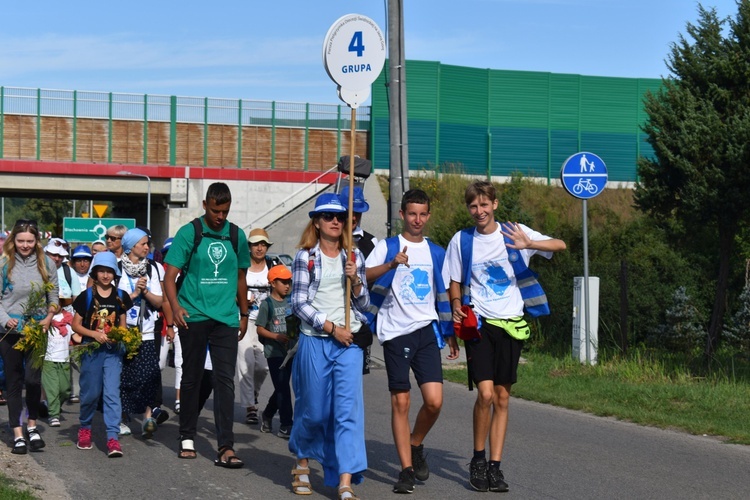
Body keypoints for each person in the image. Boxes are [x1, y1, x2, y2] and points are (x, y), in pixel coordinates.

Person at [445, 180, 566, 493]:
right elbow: (454, 280)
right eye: (473, 206)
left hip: (512, 323)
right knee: (484, 394)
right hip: (481, 325)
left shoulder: (514, 232)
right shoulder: (462, 240)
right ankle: (478, 459)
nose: (479, 211)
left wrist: (529, 245)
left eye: (484, 205)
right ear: (468, 208)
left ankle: (496, 467)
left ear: (495, 205)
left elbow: (560, 245)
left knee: (502, 397)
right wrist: (456, 303)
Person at [364, 189, 460, 493]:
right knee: (401, 401)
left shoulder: (437, 252)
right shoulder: (388, 246)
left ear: (428, 216)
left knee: (434, 402)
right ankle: (405, 470)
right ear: (402, 215)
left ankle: (415, 443)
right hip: (395, 332)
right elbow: (363, 276)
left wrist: (451, 333)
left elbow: (446, 292)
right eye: (412, 213)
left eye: (422, 214)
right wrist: (392, 264)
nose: (417, 219)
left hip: (426, 331)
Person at [163, 182, 250, 467]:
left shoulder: (236, 235)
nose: (220, 217)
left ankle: (226, 446)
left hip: (225, 317)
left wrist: (244, 314)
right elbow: (170, 275)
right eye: (215, 210)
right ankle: (187, 435)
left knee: (225, 381)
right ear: (205, 205)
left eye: (224, 211)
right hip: (194, 315)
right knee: (192, 376)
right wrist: (175, 308)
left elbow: (240, 278)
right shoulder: (191, 232)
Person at [290, 193, 369, 499]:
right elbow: (297, 303)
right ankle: (302, 464)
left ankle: (345, 481)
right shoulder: (305, 257)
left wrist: (357, 282)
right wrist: (330, 327)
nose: (335, 221)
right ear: (317, 222)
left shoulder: (355, 256)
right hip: (316, 340)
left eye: (340, 217)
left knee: (348, 412)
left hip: (349, 343)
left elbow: (364, 304)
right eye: (328, 216)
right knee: (315, 411)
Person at [0, 219, 60, 455]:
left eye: (30, 241)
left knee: (33, 380)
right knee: (13, 383)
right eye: (21, 240)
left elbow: (53, 295)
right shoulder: (5, 263)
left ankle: (32, 425)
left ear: (37, 241)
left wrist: (49, 316)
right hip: (10, 331)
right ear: (13, 240)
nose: (25, 245)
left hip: (37, 329)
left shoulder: (46, 263)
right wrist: (5, 320)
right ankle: (17, 432)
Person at [72, 251, 133, 458]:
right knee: (91, 393)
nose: (106, 275)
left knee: (112, 393)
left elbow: (123, 326)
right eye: (101, 271)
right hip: (91, 350)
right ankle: (85, 427)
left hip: (113, 353)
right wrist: (94, 334)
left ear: (115, 274)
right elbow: (76, 326)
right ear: (95, 273)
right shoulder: (86, 296)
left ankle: (112, 437)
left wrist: (119, 336)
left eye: (110, 271)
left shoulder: (121, 296)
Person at [117, 228, 165, 439]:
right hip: (122, 331)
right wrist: (134, 292)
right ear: (130, 246)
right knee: (123, 376)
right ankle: (120, 417)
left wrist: (145, 292)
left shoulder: (153, 268)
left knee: (149, 375)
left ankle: (147, 417)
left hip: (146, 331)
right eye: (143, 244)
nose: (147, 247)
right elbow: (112, 300)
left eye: (148, 244)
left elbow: (160, 301)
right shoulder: (117, 268)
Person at [239, 227, 278, 426]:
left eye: (263, 244)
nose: (260, 248)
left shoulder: (273, 266)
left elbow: (282, 291)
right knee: (246, 365)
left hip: (266, 324)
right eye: (256, 244)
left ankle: (253, 394)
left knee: (262, 367)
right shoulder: (242, 268)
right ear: (249, 247)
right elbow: (231, 291)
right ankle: (250, 408)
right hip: (244, 320)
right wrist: (243, 299)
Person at [339, 185, 378, 375]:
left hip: (360, 320)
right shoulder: (329, 240)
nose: (353, 217)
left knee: (353, 380)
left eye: (358, 213)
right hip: (333, 322)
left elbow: (374, 279)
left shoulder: (371, 243)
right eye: (349, 212)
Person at [255, 264, 295, 439]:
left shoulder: (292, 301)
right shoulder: (267, 304)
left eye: (289, 282)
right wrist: (276, 337)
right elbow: (260, 329)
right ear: (273, 283)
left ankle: (268, 414)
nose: (287, 285)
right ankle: (287, 424)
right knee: (283, 388)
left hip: (291, 352)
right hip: (274, 353)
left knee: (282, 387)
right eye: (283, 282)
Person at [68, 244, 93, 403]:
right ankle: (74, 390)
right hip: (71, 321)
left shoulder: (95, 277)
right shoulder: (69, 275)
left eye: (86, 260)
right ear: (72, 262)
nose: (82, 264)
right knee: (73, 358)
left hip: (89, 324)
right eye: (78, 260)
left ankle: (89, 389)